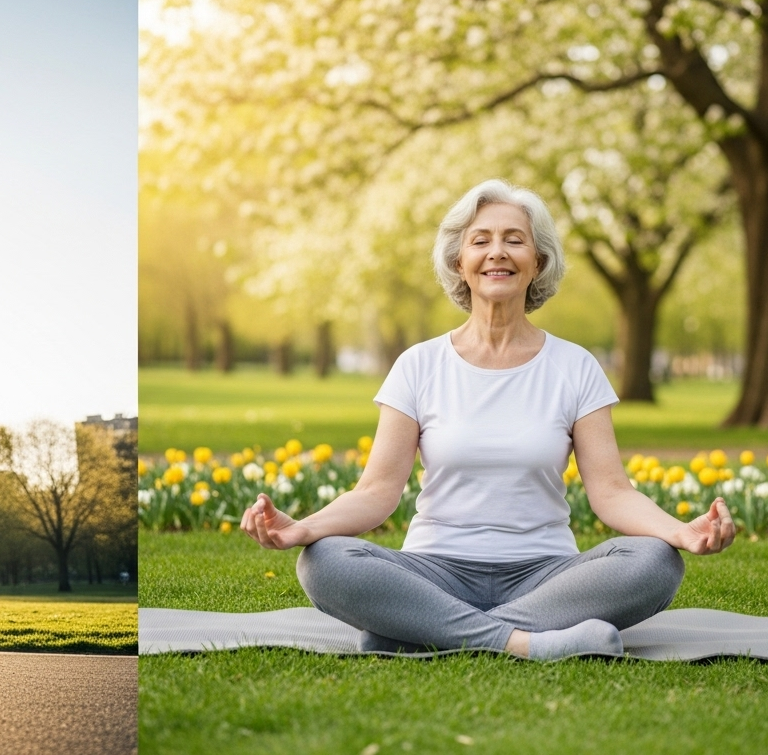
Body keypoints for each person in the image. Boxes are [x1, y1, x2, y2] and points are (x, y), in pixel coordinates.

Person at [241, 179, 735, 661]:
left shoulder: (575, 366)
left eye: (514, 240)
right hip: (432, 569)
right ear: (460, 263)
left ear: (537, 262)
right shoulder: (419, 365)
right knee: (325, 562)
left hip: (545, 575)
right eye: (481, 240)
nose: (497, 251)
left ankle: (417, 631)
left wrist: (679, 532)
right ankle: (520, 642)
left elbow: (612, 492)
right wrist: (304, 529)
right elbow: (376, 493)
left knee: (653, 562)